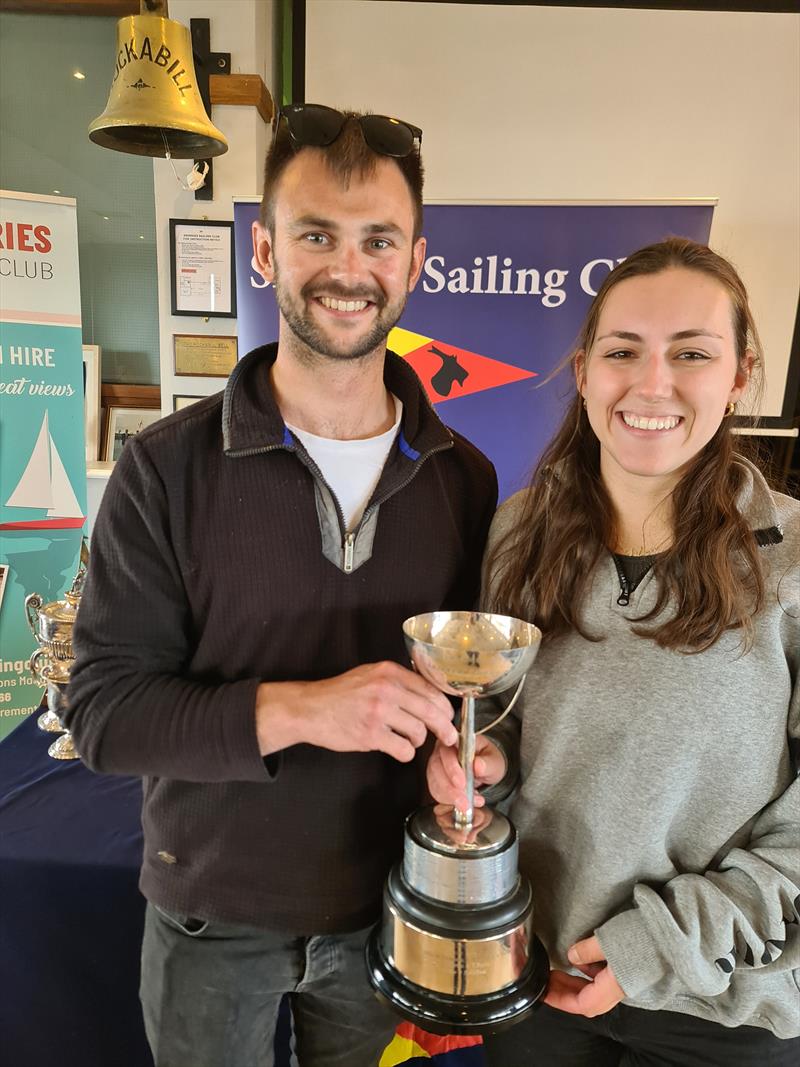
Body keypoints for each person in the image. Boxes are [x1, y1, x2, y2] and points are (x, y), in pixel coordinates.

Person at [65, 104, 497, 1067]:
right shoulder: (167, 467)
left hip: (387, 914)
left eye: (377, 239)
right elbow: (103, 715)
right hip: (210, 919)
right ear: (264, 250)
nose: (349, 269)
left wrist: (467, 756)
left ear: (415, 259)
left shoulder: (463, 476)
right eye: (316, 234)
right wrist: (306, 708)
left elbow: (471, 698)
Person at [427, 238, 800, 1065]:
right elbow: (501, 716)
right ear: (586, 370)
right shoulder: (519, 529)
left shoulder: (794, 558)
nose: (651, 382)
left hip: (722, 995)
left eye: (691, 353)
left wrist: (653, 950)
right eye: (622, 350)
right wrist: (481, 758)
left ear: (739, 374)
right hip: (541, 968)